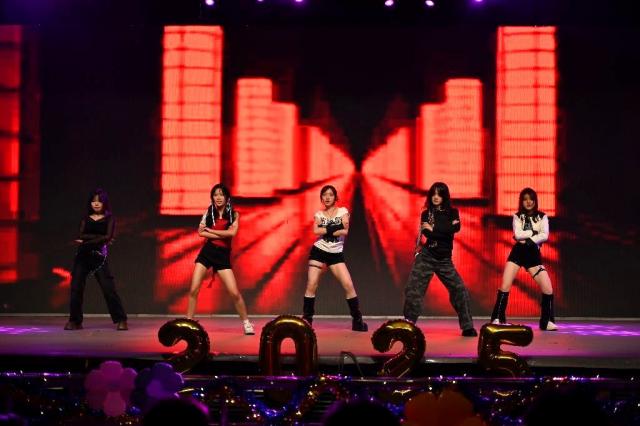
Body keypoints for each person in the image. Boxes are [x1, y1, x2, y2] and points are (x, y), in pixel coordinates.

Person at [403, 182, 477, 337]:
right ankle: (408, 323)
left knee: (459, 290)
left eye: (439, 194)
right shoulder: (426, 214)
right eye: (433, 194)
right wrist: (445, 229)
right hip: (426, 257)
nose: (436, 197)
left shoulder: (453, 212)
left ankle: (467, 327)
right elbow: (429, 234)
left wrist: (435, 228)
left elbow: (455, 228)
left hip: (444, 260)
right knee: (413, 290)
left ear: (444, 196)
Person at [186, 184, 254, 335]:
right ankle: (188, 322)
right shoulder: (209, 212)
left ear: (227, 197)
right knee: (193, 289)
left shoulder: (234, 214)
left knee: (234, 293)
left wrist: (210, 230)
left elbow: (232, 233)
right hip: (207, 252)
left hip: (222, 256)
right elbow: (201, 233)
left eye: (221, 194)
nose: (218, 197)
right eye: (215, 195)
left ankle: (246, 322)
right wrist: (220, 233)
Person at [490, 187, 558, 331]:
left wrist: (529, 239)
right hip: (518, 253)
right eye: (525, 199)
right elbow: (517, 234)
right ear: (521, 201)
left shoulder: (543, 217)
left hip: (533, 255)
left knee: (548, 288)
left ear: (535, 201)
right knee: (505, 285)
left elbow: (545, 235)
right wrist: (534, 232)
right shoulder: (517, 216)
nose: (528, 202)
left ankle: (546, 321)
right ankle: (498, 317)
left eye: (531, 199)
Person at [302, 185, 368, 332]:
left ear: (335, 197)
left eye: (330, 195)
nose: (327, 197)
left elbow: (345, 231)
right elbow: (316, 231)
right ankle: (307, 321)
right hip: (318, 251)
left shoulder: (343, 211)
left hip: (335, 253)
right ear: (321, 198)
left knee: (348, 285)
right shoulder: (319, 214)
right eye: (324, 195)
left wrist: (326, 229)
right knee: (312, 285)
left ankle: (357, 321)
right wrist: (336, 227)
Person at [64, 188, 128, 330]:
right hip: (82, 256)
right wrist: (99, 238)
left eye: (99, 201)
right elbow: (81, 235)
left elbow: (108, 237)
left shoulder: (109, 219)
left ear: (104, 203)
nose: (96, 204)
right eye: (93, 201)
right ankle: (75, 321)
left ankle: (121, 319)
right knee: (76, 288)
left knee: (108, 288)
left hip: (99, 258)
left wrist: (88, 240)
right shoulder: (85, 218)